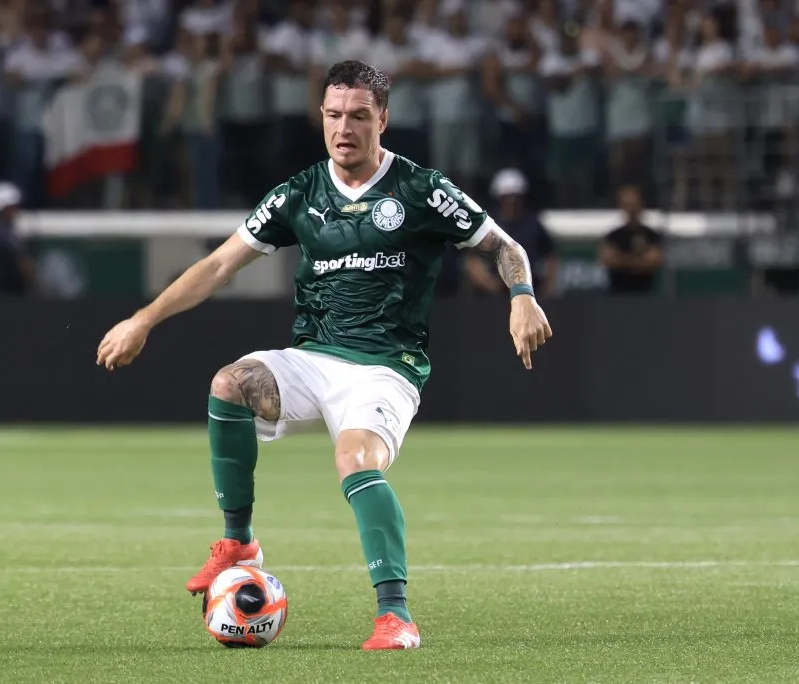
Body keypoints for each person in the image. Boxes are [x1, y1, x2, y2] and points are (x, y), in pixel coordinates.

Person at [96, 60, 553, 650]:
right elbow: (217, 265)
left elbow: (504, 245)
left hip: (387, 366)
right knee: (230, 383)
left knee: (355, 460)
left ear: (382, 119)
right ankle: (239, 543)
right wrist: (143, 320)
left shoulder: (421, 189)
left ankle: (396, 616)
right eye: (334, 115)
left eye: (359, 116)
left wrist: (522, 297)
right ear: (321, 116)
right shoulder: (299, 194)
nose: (345, 128)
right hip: (314, 358)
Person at [466, 168, 558, 298]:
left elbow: (551, 257)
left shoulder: (533, 224)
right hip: (493, 298)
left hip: (530, 292)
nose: (512, 200)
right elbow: (472, 260)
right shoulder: (488, 224)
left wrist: (545, 289)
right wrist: (490, 284)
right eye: (507, 196)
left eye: (515, 196)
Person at [599, 184, 664, 294]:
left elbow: (653, 261)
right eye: (627, 205)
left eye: (634, 204)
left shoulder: (651, 235)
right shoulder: (613, 236)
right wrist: (638, 260)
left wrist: (621, 259)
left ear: (641, 205)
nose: (631, 209)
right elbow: (608, 260)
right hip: (617, 295)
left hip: (645, 295)